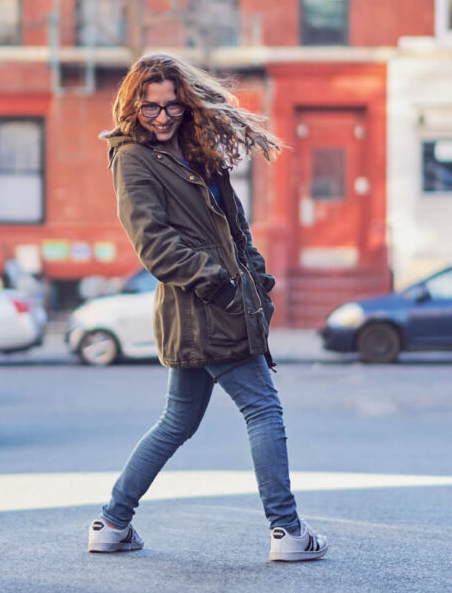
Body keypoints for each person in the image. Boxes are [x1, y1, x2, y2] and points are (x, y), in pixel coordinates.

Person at [88, 52, 327, 563]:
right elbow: (153, 245)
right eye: (150, 108)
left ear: (187, 104)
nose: (161, 118)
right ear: (132, 105)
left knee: (177, 422)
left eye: (172, 107)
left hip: (217, 307)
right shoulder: (132, 158)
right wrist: (222, 287)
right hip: (205, 309)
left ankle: (112, 523)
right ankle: (287, 531)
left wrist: (258, 280)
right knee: (263, 409)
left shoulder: (198, 155)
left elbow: (235, 230)